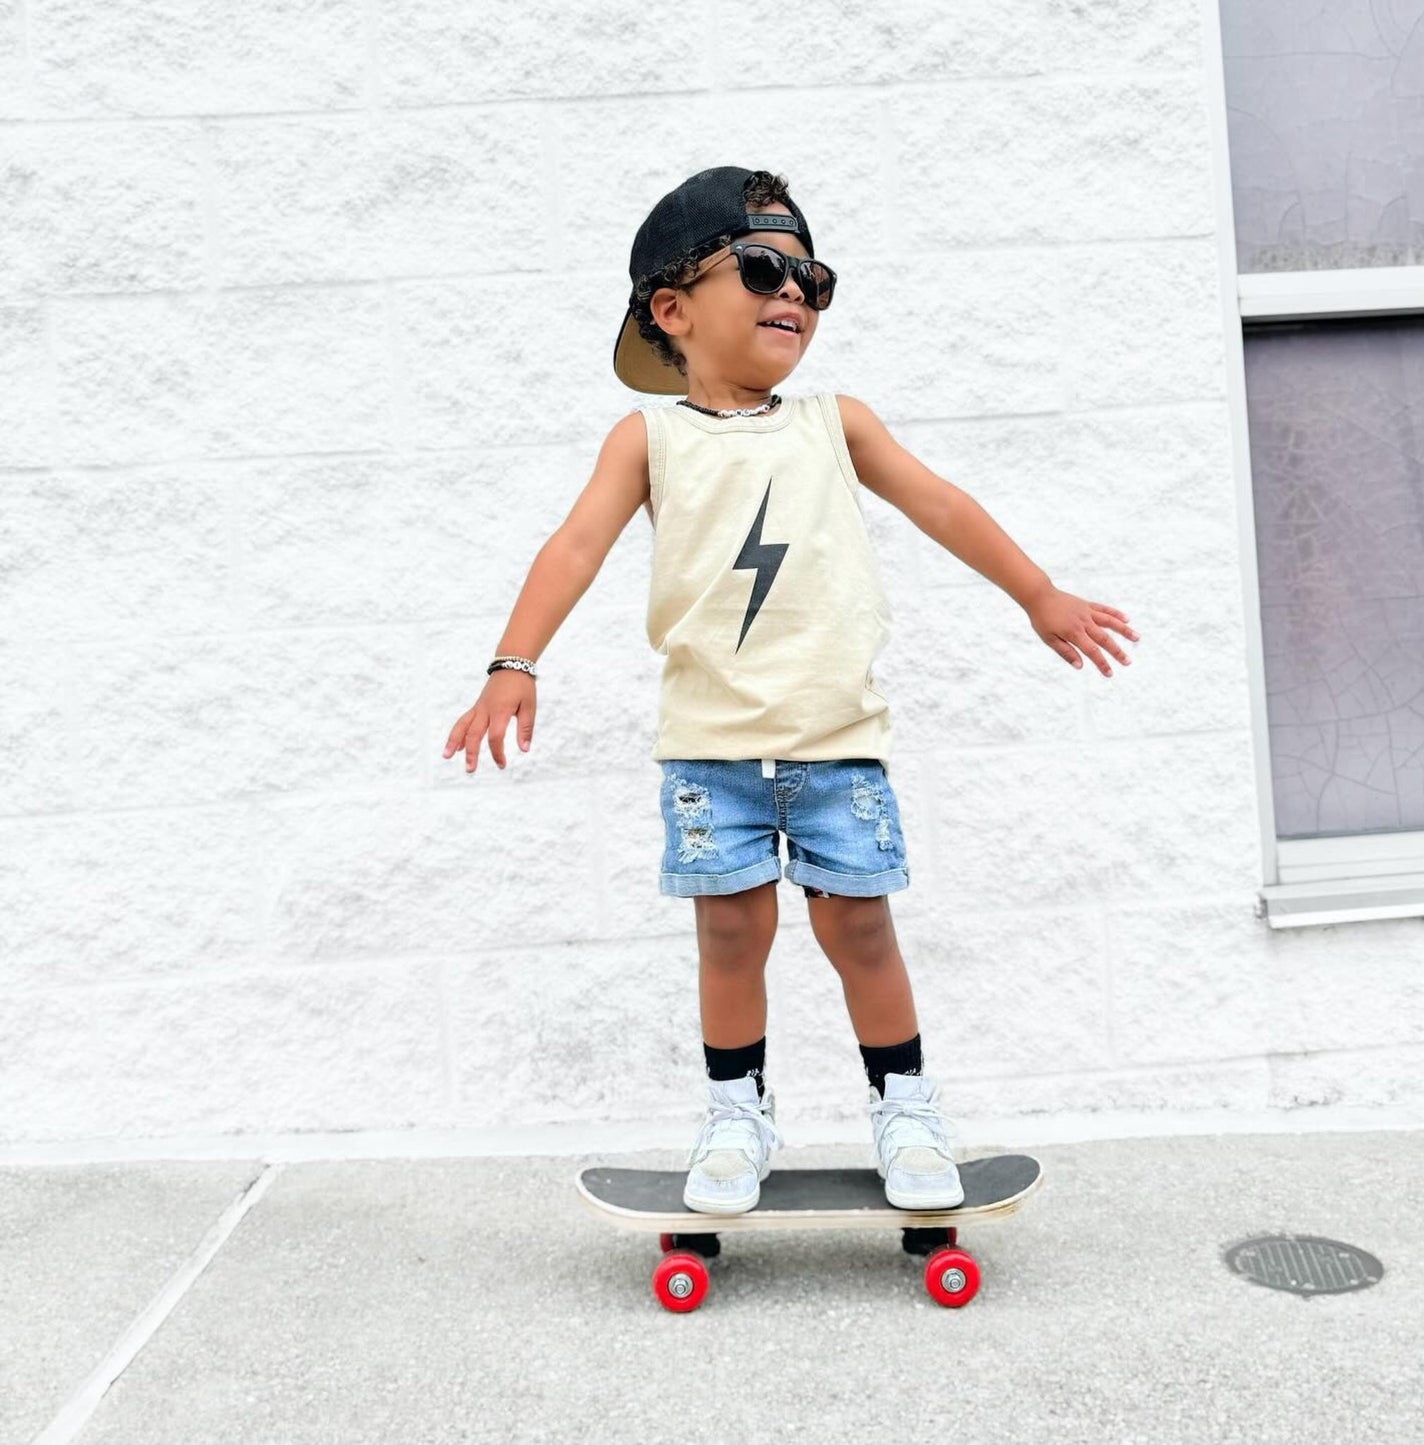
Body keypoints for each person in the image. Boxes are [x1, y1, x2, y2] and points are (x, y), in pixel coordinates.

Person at [442, 166, 1139, 1217]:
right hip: (707, 752)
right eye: (763, 268)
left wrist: (1036, 592)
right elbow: (574, 544)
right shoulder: (649, 440)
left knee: (859, 929)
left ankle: (903, 1103)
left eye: (811, 278)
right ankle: (735, 1112)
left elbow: (941, 504)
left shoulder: (834, 423)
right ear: (671, 310)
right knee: (728, 933)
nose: (794, 295)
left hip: (833, 741)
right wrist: (512, 662)